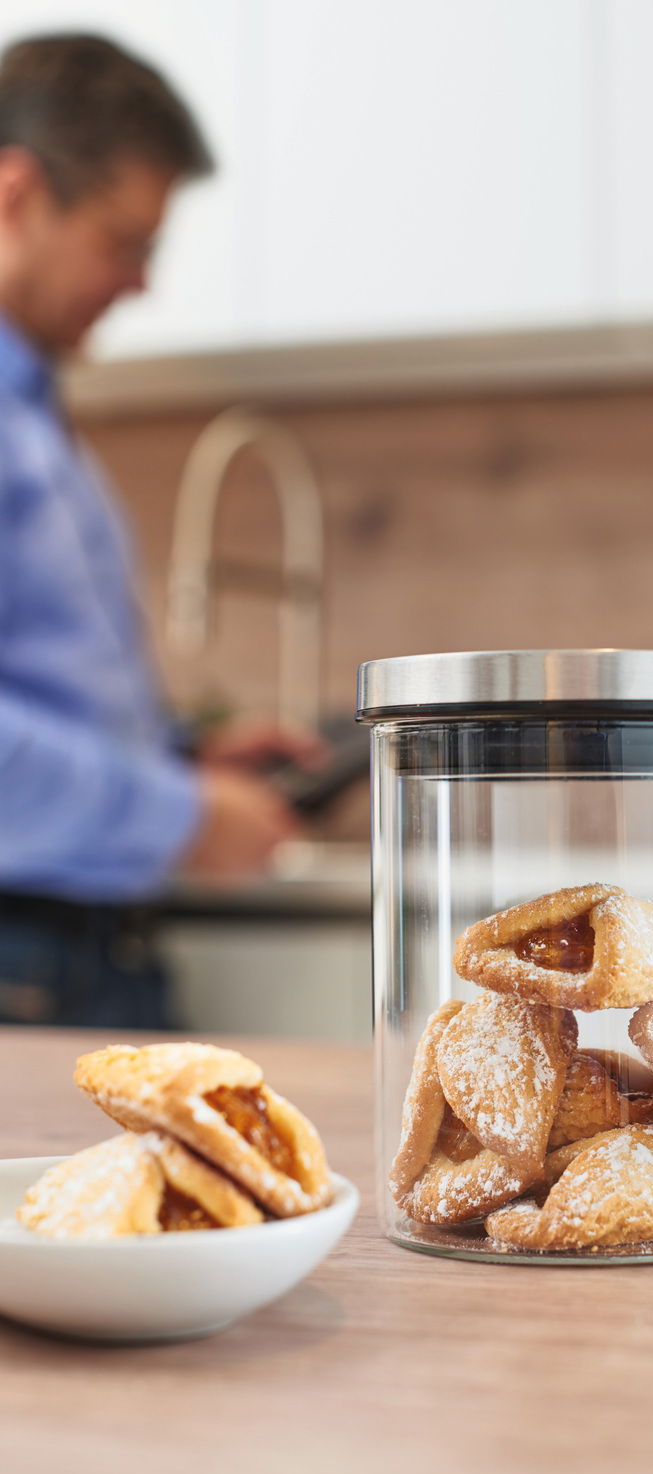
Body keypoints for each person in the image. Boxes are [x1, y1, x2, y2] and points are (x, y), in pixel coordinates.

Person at [0, 33, 322, 1030]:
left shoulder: (35, 418)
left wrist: (178, 757)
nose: (142, 282)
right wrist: (178, 815)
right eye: (126, 241)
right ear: (15, 196)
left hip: (75, 952)